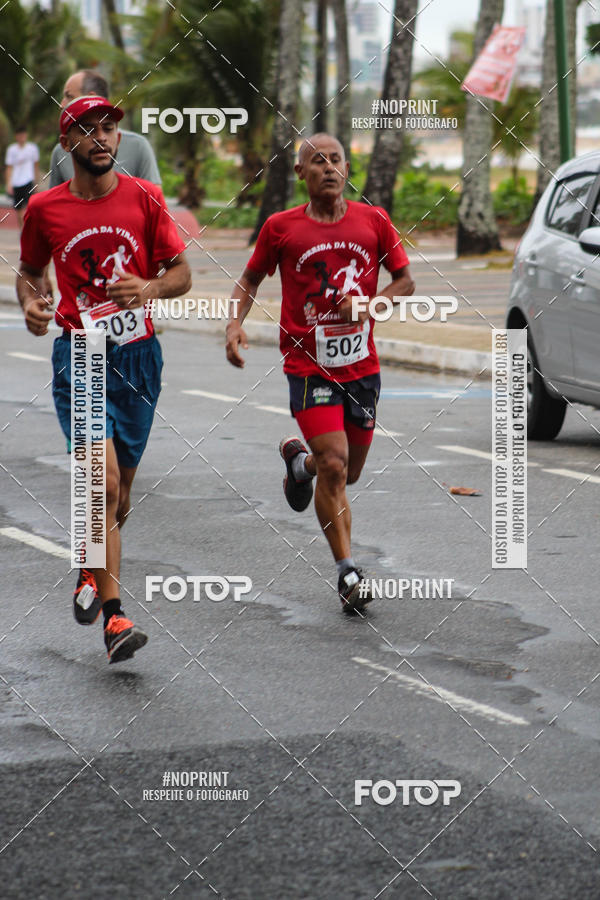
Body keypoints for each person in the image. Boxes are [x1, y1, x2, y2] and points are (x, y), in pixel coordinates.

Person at [17, 96, 191, 662]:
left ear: (119, 138)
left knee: (119, 502)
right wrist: (33, 304)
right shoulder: (45, 209)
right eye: (86, 130)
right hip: (82, 355)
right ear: (67, 144)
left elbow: (182, 274)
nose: (100, 138)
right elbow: (30, 273)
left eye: (109, 128)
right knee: (105, 486)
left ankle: (87, 570)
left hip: (140, 357)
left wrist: (149, 288)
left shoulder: (145, 198)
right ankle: (115, 619)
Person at [226, 133, 415, 613]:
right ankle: (347, 571)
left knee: (346, 472)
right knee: (334, 463)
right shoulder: (281, 228)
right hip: (308, 368)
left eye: (336, 160)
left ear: (347, 168)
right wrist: (234, 325)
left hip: (361, 369)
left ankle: (299, 465)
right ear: (301, 174)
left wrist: (371, 304)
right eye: (317, 161)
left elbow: (405, 281)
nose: (328, 168)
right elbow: (249, 279)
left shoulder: (373, 221)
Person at [48, 70, 161, 187]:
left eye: (69, 96)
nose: (62, 104)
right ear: (65, 143)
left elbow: (153, 200)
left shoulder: (138, 146)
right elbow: (54, 200)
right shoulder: (59, 153)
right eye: (86, 130)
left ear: (91, 97)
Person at [4, 126, 40, 229]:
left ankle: (30, 229)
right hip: (16, 182)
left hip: (28, 181)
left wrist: (36, 182)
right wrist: (8, 183)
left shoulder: (32, 148)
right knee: (19, 209)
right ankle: (22, 230)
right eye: (19, 135)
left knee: (30, 206)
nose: (22, 137)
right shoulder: (12, 150)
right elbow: (9, 167)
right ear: (16, 136)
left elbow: (35, 166)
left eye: (23, 135)